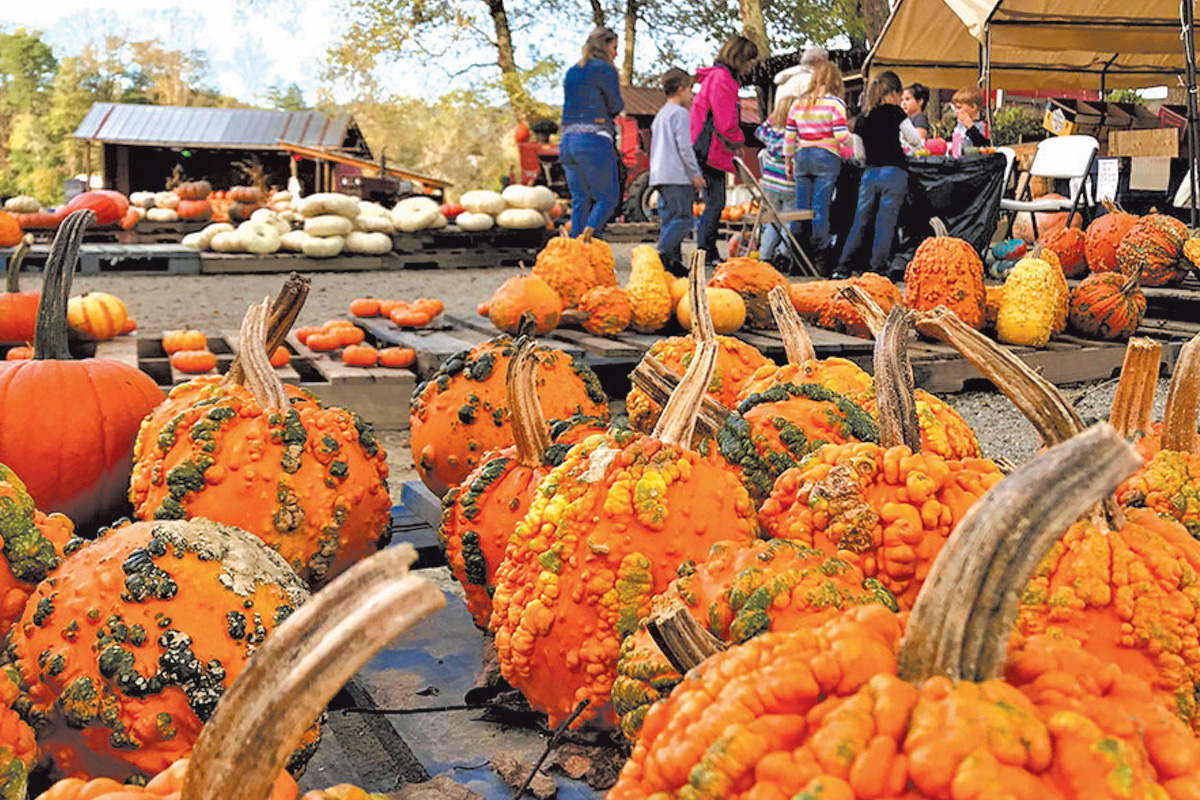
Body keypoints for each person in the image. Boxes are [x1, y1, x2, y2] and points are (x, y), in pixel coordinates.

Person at [833, 71, 924, 280]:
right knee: (886, 222)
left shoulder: (861, 119)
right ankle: (878, 270)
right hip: (894, 173)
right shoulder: (895, 112)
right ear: (893, 93)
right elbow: (914, 140)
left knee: (861, 220)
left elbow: (859, 154)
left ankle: (842, 267)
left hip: (870, 174)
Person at [691, 35, 759, 265]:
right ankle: (707, 252)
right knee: (716, 202)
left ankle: (705, 250)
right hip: (708, 147)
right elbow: (725, 122)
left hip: (704, 144)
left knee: (712, 201)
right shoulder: (723, 80)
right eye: (749, 61)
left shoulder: (715, 77)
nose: (750, 66)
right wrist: (738, 142)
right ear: (740, 58)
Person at [783, 59, 849, 271]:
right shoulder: (835, 104)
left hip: (802, 157)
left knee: (801, 209)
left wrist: (788, 161)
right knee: (821, 208)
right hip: (826, 156)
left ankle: (798, 258)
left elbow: (789, 135)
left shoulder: (798, 103)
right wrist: (853, 140)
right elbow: (841, 135)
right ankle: (821, 258)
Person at [560, 26, 625, 238]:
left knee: (581, 200)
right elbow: (616, 106)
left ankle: (575, 254)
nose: (616, 53)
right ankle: (588, 243)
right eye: (615, 47)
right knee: (607, 198)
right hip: (593, 140)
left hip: (567, 142)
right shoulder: (605, 70)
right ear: (606, 47)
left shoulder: (572, 71)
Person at [650, 68, 706, 277]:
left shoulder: (661, 114)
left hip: (659, 174)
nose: (692, 95)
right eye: (691, 89)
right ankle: (662, 253)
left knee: (670, 218)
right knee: (684, 219)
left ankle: (672, 263)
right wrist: (695, 173)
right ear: (681, 89)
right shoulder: (680, 114)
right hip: (677, 175)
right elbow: (684, 146)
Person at [754, 95, 795, 266]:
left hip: (769, 185)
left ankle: (765, 255)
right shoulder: (793, 134)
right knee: (788, 222)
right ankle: (784, 255)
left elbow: (757, 132)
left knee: (772, 222)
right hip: (788, 186)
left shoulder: (770, 132)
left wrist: (772, 119)